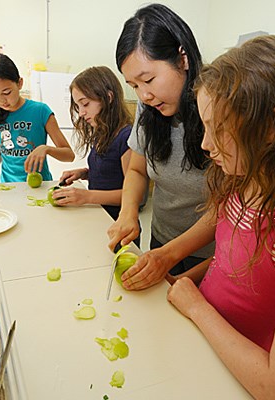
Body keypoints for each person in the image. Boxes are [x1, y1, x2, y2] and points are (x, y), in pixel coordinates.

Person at [167, 35, 275, 399]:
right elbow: (236, 263)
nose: (204, 144)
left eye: (219, 129)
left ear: (270, 127)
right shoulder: (240, 180)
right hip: (207, 345)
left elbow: (270, 385)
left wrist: (196, 307)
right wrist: (182, 279)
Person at [107, 3, 214, 280]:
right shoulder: (150, 107)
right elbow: (137, 170)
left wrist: (169, 256)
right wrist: (128, 213)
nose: (144, 96)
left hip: (207, 256)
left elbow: (227, 207)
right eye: (134, 86)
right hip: (160, 241)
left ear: (183, 58)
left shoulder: (217, 108)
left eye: (149, 79)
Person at [51, 66, 141, 244]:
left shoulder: (127, 137)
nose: (82, 112)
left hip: (119, 228)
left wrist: (86, 196)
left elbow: (133, 194)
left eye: (85, 104)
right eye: (78, 106)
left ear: (108, 97)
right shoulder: (101, 133)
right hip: (99, 217)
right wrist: (84, 173)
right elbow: (109, 173)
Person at [0, 53, 74, 182]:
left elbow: (69, 155)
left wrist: (46, 149)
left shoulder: (40, 111)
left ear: (20, 83)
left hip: (40, 185)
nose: (1, 100)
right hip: (9, 186)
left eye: (7, 92)